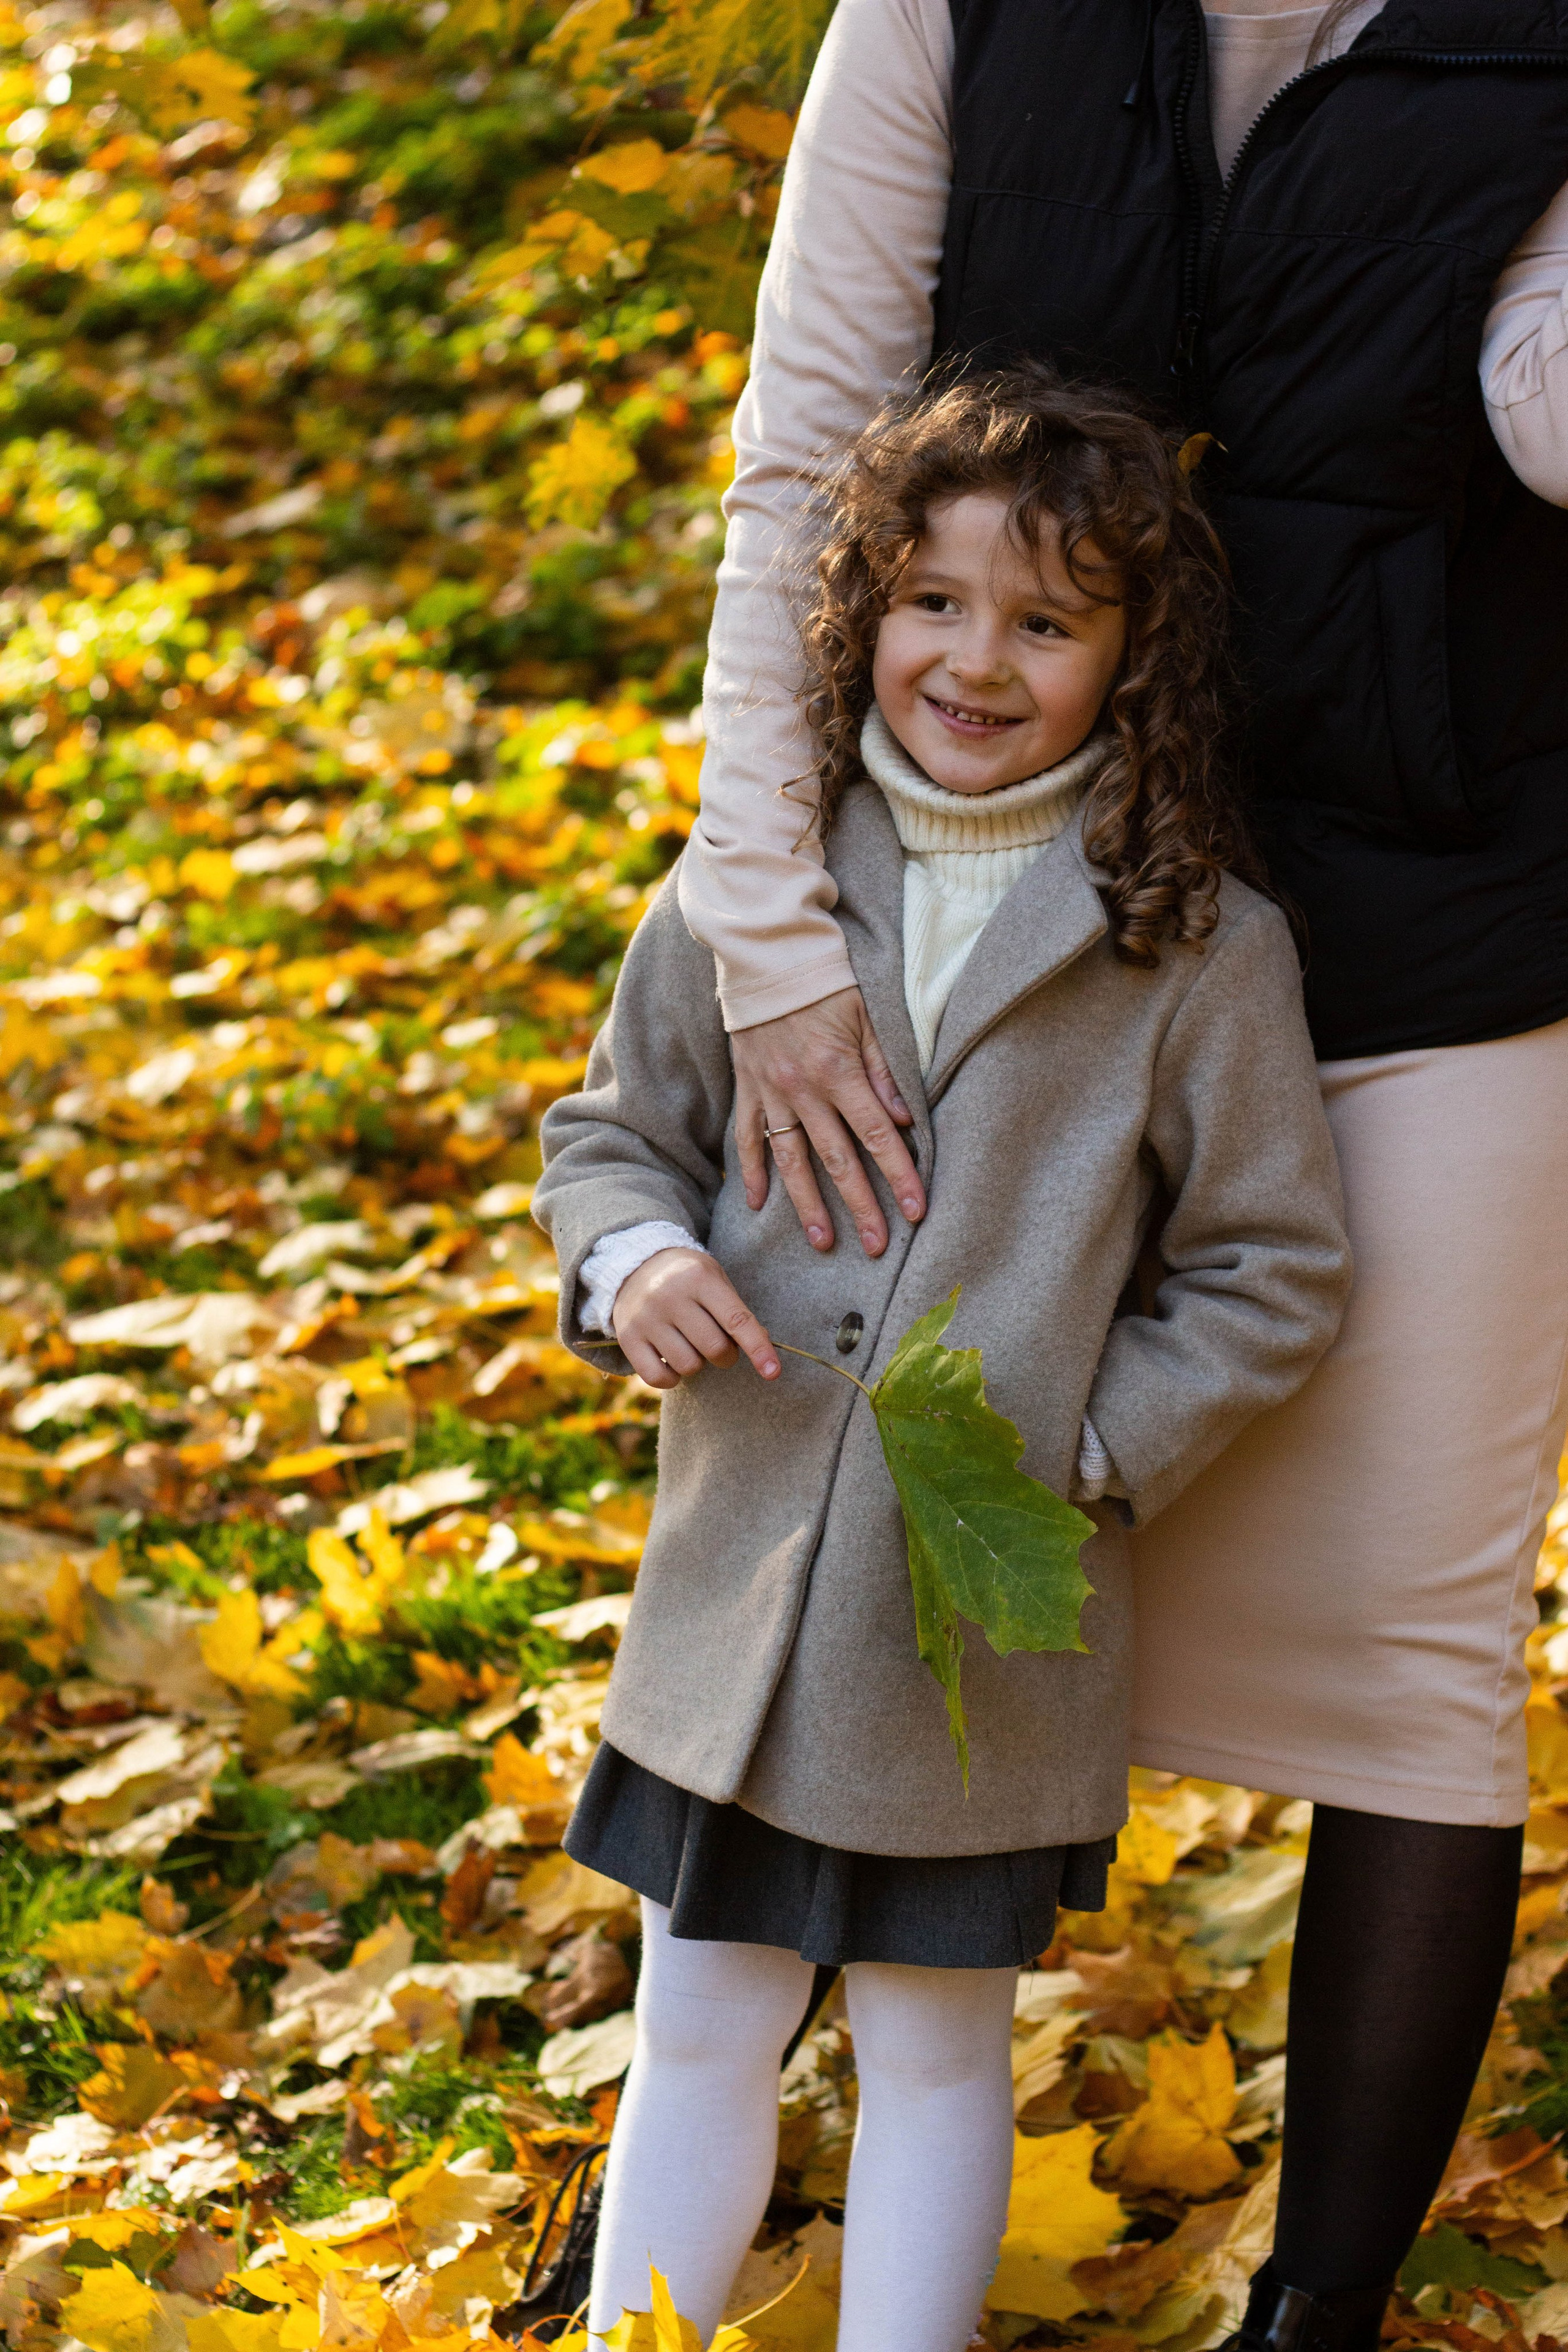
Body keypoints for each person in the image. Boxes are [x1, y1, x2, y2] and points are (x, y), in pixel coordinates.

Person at [674, 1, 1568, 2341]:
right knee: (820, 1531)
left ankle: (1319, 2321)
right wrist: (776, 933)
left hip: (1442, 907)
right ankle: (662, 2194)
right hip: (985, 910)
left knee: (1416, 1654)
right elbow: (809, 466)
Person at [533, 370, 1352, 2352]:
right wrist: (632, 1254)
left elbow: (1275, 1265)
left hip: (974, 1639)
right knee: (703, 2011)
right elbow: (610, 1131)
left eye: (1048, 621)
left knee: (929, 2051)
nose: (977, 660)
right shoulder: (763, 876)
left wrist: (1078, 1449)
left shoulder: (1196, 948)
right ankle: (643, 2332)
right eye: (934, 602)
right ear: (863, 614)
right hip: (735, 1584)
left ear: (1130, 663)